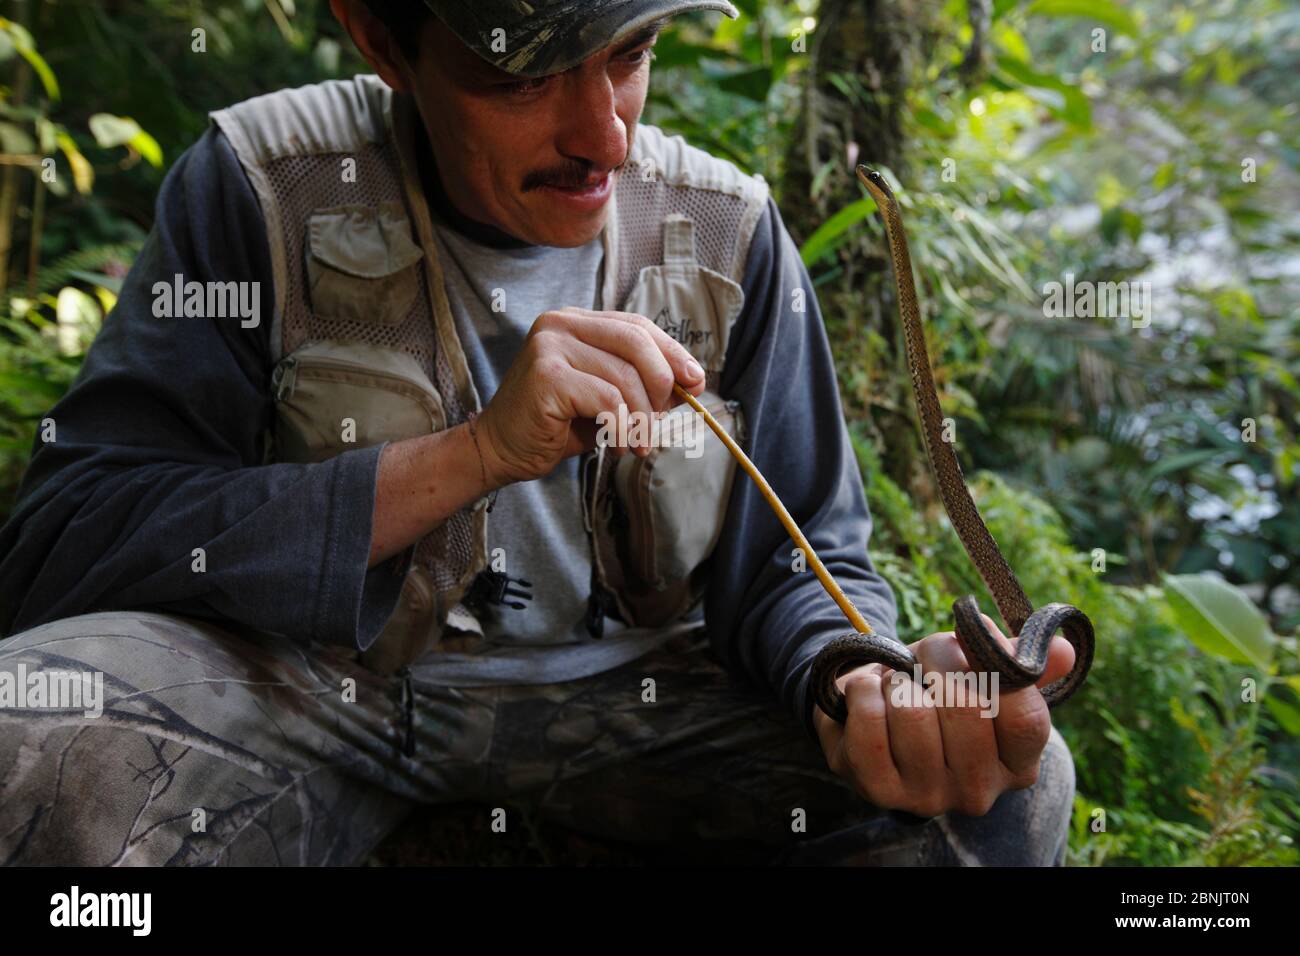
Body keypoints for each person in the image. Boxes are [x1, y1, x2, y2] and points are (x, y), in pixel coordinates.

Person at [0, 0, 1077, 866]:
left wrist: (861, 680)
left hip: (645, 705)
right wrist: (472, 455)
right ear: (383, 36)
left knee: (998, 789)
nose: (602, 132)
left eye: (631, 50)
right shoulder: (264, 188)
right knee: (22, 725)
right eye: (523, 71)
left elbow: (802, 567)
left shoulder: (725, 231)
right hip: (320, 693)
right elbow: (67, 539)